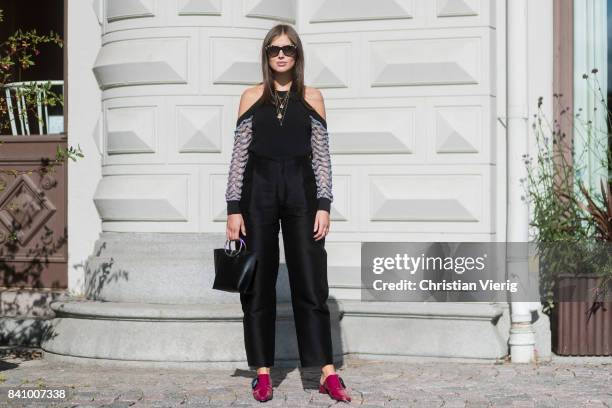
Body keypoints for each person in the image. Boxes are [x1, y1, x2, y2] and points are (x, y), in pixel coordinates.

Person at [225, 23, 351, 403]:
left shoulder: (313, 97)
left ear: (297, 55)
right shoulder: (250, 97)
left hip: (302, 193)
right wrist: (233, 209)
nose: (281, 54)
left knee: (311, 281)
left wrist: (324, 205)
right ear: (266, 56)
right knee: (257, 283)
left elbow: (322, 157)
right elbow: (239, 158)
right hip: (257, 193)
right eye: (274, 49)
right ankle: (262, 372)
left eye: (289, 48)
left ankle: (326, 372)